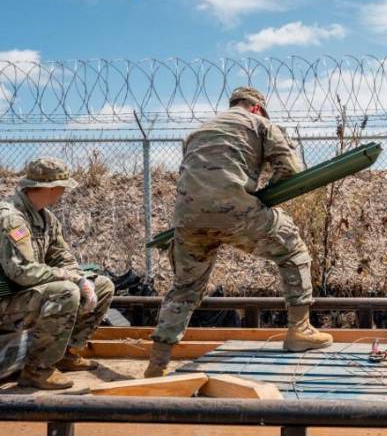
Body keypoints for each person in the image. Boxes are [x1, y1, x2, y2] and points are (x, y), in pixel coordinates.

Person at [145, 87, 331, 378]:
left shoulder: (197, 133)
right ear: (256, 107)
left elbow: (198, 176)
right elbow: (290, 168)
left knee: (185, 288)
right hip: (236, 211)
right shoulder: (260, 124)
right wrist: (268, 195)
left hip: (188, 218)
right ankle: (300, 330)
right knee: (293, 250)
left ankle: (157, 363)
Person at [0, 157, 114, 389]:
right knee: (65, 292)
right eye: (62, 187)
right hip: (6, 299)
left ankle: (65, 353)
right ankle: (37, 370)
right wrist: (72, 278)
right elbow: (21, 271)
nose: (63, 192)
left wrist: (82, 279)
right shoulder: (11, 218)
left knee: (102, 286)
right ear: (50, 188)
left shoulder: (46, 218)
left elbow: (62, 256)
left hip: (25, 294)